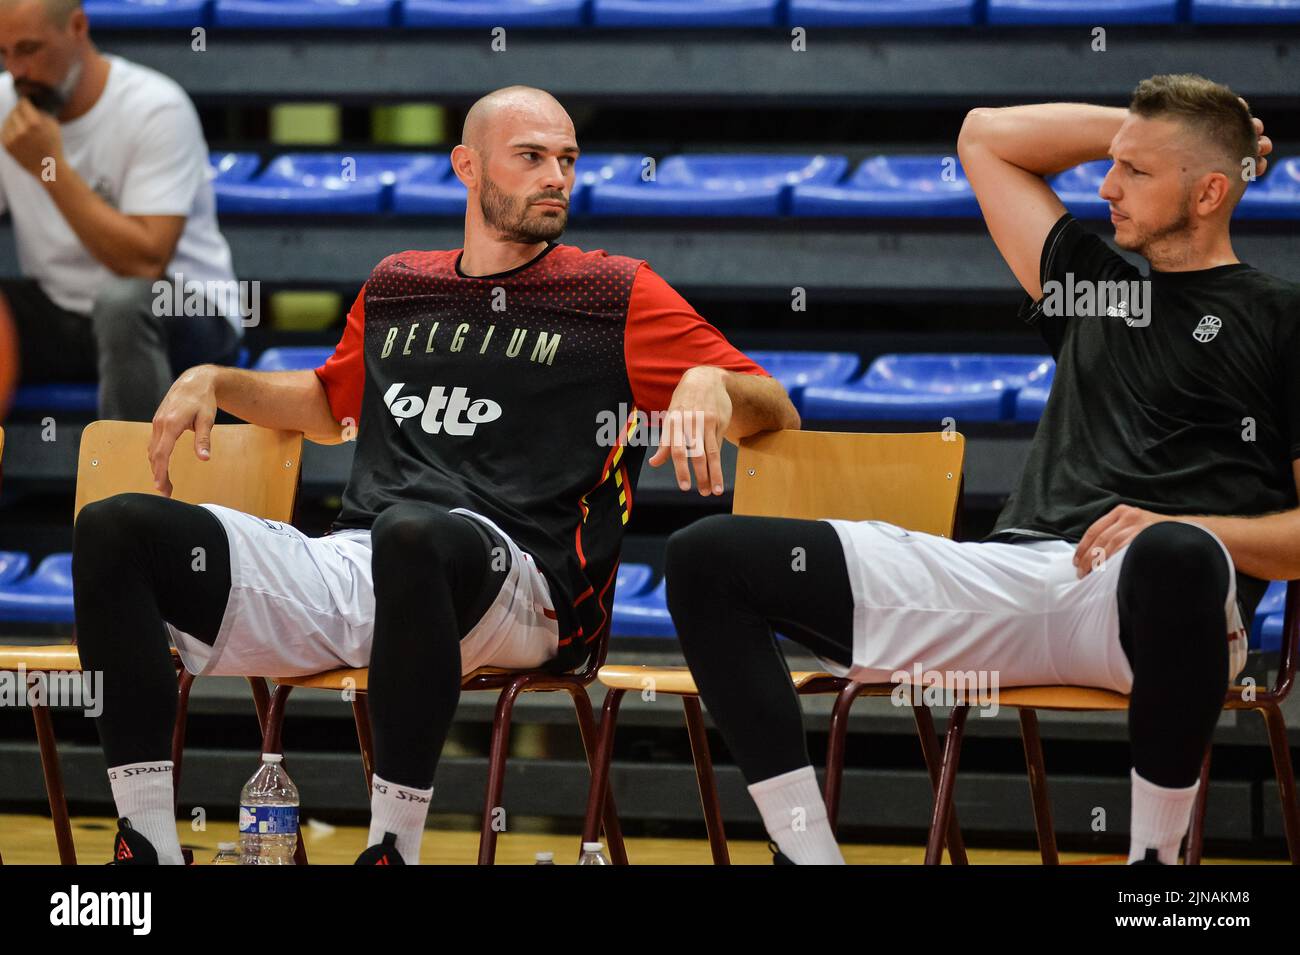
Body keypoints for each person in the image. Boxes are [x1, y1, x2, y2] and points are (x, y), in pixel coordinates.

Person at [72, 85, 799, 864]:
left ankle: (392, 846)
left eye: (567, 159)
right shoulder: (396, 284)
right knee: (116, 529)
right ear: (467, 165)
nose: (556, 176)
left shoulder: (613, 291)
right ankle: (145, 843)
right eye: (531, 157)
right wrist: (217, 377)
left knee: (415, 534)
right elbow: (326, 403)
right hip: (370, 560)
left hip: (528, 584)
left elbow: (775, 408)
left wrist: (712, 383)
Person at [664, 73, 1298, 865]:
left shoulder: (1281, 317)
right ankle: (805, 854)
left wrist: (1189, 525)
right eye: (1113, 161)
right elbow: (984, 138)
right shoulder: (1094, 292)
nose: (1107, 184)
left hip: (1163, 606)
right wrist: (1158, 129)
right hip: (1014, 573)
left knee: (1173, 553)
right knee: (705, 556)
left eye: (1135, 172)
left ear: (1209, 192)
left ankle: (1157, 871)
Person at [0, 0, 241, 421]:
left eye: (29, 49)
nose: (17, 71)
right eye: (4, 54)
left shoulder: (155, 107)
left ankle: (137, 487)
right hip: (64, 311)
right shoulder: (6, 105)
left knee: (122, 303)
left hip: (181, 309)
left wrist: (50, 169)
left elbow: (144, 261)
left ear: (77, 27)